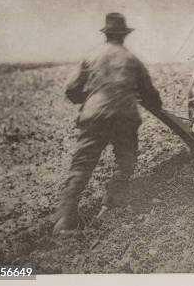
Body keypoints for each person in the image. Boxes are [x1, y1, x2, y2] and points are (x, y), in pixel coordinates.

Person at [53, 13, 162, 235]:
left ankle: (64, 223)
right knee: (125, 163)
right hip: (124, 118)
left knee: (81, 166)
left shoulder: (91, 56)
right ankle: (110, 209)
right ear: (123, 35)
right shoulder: (133, 61)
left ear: (106, 34)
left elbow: (72, 90)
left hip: (94, 118)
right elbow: (151, 96)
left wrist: (91, 98)